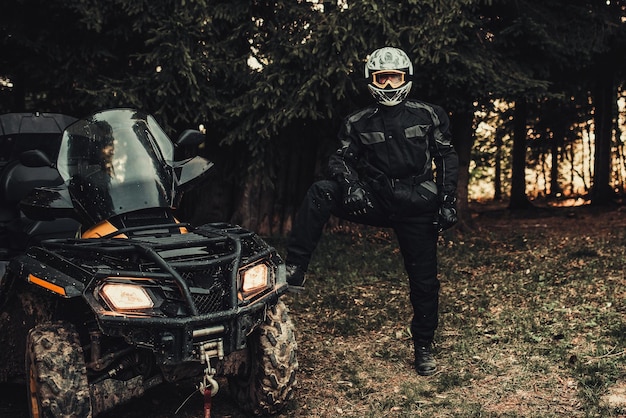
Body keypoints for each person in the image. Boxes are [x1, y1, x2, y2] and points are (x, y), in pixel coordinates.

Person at [284, 46, 459, 376]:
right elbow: (339, 159)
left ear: (406, 79)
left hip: (417, 206)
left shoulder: (429, 114)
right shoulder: (356, 122)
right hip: (373, 200)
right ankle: (295, 266)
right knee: (321, 191)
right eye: (383, 77)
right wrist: (351, 186)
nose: (390, 84)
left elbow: (447, 157)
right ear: (372, 80)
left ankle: (423, 346)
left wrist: (448, 202)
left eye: (395, 77)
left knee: (424, 282)